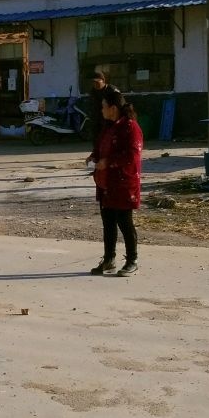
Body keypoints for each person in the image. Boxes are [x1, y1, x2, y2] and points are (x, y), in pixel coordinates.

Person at [90, 87, 142, 277]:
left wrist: (108, 162)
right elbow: (102, 147)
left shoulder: (130, 127)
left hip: (123, 183)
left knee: (124, 222)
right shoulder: (109, 126)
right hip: (106, 184)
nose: (101, 110)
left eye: (104, 106)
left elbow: (132, 156)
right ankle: (109, 259)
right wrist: (95, 156)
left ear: (113, 108)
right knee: (108, 222)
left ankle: (132, 260)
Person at [86, 68, 118, 167]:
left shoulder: (112, 90)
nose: (95, 84)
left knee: (109, 144)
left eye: (97, 82)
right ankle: (97, 165)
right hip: (97, 121)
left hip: (109, 122)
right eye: (93, 82)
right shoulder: (93, 91)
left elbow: (119, 105)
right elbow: (92, 106)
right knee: (97, 143)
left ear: (103, 80)